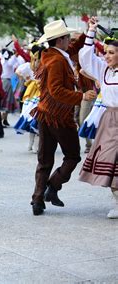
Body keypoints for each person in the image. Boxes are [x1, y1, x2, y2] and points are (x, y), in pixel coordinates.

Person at [30, 19, 94, 216]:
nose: (70, 40)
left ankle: (38, 199)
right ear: (60, 40)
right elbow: (56, 90)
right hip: (58, 116)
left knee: (44, 159)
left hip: (46, 113)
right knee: (73, 155)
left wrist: (89, 31)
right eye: (67, 37)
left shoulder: (51, 54)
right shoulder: (57, 60)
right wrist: (81, 96)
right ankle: (53, 185)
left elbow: (75, 47)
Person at [78, 17, 118, 219]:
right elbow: (85, 59)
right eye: (106, 52)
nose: (107, 56)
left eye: (111, 53)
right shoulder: (104, 70)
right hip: (110, 119)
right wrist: (91, 32)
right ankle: (117, 201)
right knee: (110, 159)